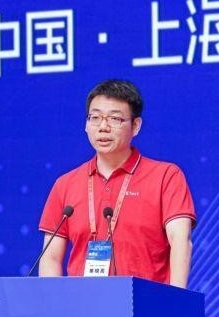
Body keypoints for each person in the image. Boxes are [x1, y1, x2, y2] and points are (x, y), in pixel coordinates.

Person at [38, 79, 196, 288]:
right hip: (81, 304)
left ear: (136, 126)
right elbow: (50, 257)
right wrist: (53, 303)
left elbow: (180, 241)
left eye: (115, 118)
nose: (103, 127)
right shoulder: (65, 184)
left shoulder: (166, 176)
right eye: (95, 118)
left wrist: (176, 299)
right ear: (86, 124)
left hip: (146, 302)